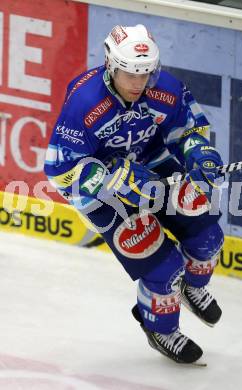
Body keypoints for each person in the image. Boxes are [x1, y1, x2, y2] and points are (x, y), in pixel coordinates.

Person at [44, 24, 224, 364]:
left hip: (152, 166)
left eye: (146, 74)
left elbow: (189, 129)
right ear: (111, 66)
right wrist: (115, 180)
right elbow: (60, 170)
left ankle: (192, 287)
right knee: (164, 268)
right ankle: (162, 330)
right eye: (130, 74)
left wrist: (199, 153)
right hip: (102, 193)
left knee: (208, 235)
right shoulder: (85, 102)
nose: (139, 84)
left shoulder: (165, 89)